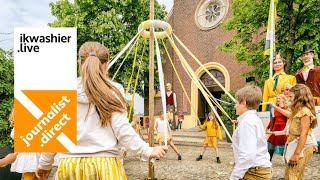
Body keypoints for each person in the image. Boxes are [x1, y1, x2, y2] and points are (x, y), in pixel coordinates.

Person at [35, 42, 167, 179]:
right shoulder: (114, 90)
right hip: (106, 167)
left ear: (80, 63)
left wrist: (44, 164)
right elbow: (122, 130)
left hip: (70, 166)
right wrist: (147, 150)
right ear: (106, 65)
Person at [269, 84, 318, 179]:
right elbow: (290, 115)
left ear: (299, 97)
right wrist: (277, 108)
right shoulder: (298, 110)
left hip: (301, 147)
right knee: (291, 174)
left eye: (291, 96)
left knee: (293, 175)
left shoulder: (305, 112)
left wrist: (296, 154)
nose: (289, 99)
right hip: (294, 144)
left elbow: (304, 133)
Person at [230, 85, 272, 180]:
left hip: (254, 172)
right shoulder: (252, 119)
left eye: (236, 102)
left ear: (244, 103)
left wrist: (234, 176)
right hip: (257, 170)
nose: (235, 105)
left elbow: (247, 155)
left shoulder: (247, 122)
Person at [265, 94, 288, 161]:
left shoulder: (287, 108)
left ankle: (287, 160)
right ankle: (268, 160)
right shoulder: (275, 109)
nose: (278, 99)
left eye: (279, 98)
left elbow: (288, 119)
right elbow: (273, 119)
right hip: (276, 128)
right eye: (277, 98)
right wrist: (267, 127)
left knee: (286, 145)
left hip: (283, 128)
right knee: (272, 146)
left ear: (283, 99)